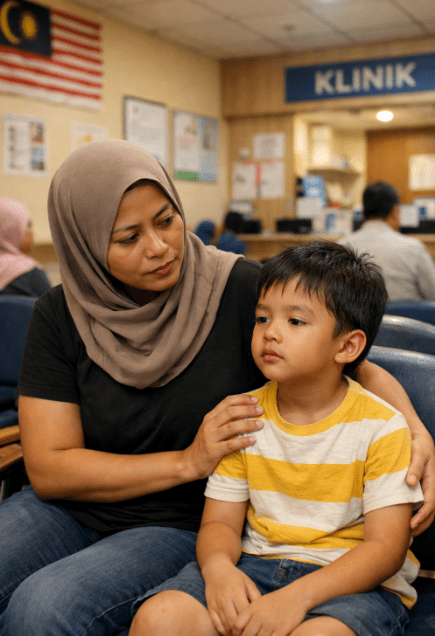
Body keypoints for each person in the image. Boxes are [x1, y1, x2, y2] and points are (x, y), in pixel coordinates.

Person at [0, 140, 433, 636]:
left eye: (166, 221)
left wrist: (420, 438)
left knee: (42, 608)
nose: (160, 247)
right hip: (63, 509)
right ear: (85, 245)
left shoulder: (242, 290)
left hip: (178, 521)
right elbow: (51, 468)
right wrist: (189, 459)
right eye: (127, 238)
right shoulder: (59, 313)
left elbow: (352, 366)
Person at [131, 241, 424, 636]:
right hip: (254, 563)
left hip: (350, 581)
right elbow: (219, 522)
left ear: (348, 346)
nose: (271, 333)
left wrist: (296, 598)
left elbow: (385, 550)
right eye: (262, 318)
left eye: (295, 322)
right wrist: (218, 571)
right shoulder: (242, 415)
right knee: (159, 619)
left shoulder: (381, 427)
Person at [340, 181, 435, 302]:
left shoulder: (341, 247)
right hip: (410, 319)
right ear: (395, 211)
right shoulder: (414, 248)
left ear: (363, 211)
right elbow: (433, 294)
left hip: (360, 320)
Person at [0, 197, 51, 297]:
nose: (31, 232)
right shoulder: (30, 273)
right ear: (9, 229)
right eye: (27, 225)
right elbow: (57, 310)